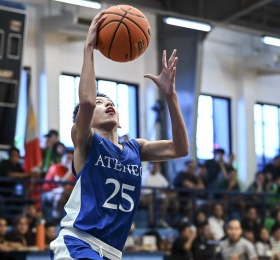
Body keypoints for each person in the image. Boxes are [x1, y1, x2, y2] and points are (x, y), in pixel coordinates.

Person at [49, 10, 189, 260]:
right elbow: (87, 102)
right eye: (101, 103)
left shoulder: (136, 149)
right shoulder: (86, 141)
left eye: (110, 102)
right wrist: (89, 48)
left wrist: (171, 96)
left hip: (112, 252)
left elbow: (180, 149)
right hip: (78, 243)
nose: (107, 104)